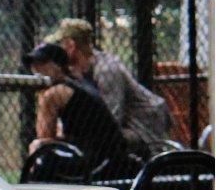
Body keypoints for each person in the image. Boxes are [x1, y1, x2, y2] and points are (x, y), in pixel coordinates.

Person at [45, 18, 172, 155]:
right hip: (120, 127)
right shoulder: (76, 71)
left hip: (140, 127)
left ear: (71, 46)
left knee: (95, 141)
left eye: (60, 44)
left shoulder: (106, 70)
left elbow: (111, 120)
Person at [26, 42, 139, 180]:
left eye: (42, 63)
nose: (36, 69)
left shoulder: (54, 93)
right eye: (33, 64)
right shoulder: (79, 82)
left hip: (97, 159)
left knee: (38, 147)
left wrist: (42, 99)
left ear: (58, 66)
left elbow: (45, 137)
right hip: (111, 154)